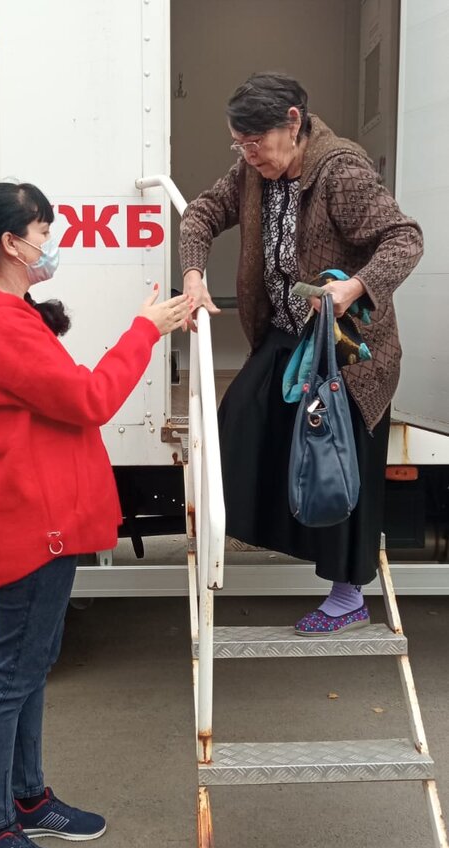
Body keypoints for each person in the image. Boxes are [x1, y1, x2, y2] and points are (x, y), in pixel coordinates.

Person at [0, 181, 189, 848]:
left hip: (42, 519)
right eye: (44, 233)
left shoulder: (2, 315)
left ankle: (28, 798)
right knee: (12, 675)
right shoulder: (1, 325)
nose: (51, 244)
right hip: (33, 524)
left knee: (31, 666)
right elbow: (89, 398)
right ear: (10, 244)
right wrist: (145, 330)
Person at [179, 73, 423, 636]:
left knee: (336, 459)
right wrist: (193, 275)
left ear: (293, 122)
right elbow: (200, 213)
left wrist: (354, 287)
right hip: (289, 337)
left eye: (255, 142)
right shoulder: (253, 170)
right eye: (239, 144)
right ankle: (275, 535)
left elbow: (405, 238)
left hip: (349, 351)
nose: (248, 154)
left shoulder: (340, 170)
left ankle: (347, 597)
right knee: (239, 422)